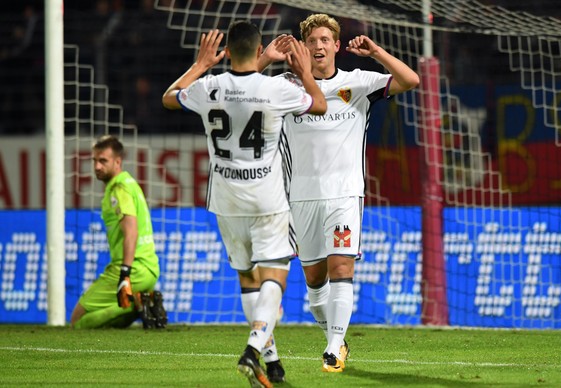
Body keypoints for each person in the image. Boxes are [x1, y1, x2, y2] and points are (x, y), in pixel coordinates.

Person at [162, 21, 326, 387]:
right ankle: (253, 349)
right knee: (275, 276)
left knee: (248, 278)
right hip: (266, 200)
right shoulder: (277, 88)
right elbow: (317, 104)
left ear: (227, 51)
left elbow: (170, 97)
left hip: (225, 199)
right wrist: (301, 70)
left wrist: (201, 65)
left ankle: (273, 361)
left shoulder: (208, 87)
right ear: (259, 49)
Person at [259, 13, 420, 373]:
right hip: (300, 197)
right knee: (315, 281)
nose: (318, 46)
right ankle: (334, 335)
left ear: (335, 45)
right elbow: (243, 89)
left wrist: (376, 51)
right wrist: (266, 58)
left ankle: (333, 350)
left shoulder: (358, 83)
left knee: (342, 267)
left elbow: (411, 80)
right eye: (311, 41)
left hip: (346, 194)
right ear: (303, 47)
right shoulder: (288, 87)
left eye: (324, 40)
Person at [71, 135, 167, 330]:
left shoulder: (119, 189)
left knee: (77, 321)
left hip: (132, 270)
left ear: (117, 161)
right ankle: (140, 304)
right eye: (95, 160)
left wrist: (125, 274)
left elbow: (131, 231)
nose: (97, 166)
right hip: (150, 268)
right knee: (109, 315)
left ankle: (137, 304)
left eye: (103, 161)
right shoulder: (130, 183)